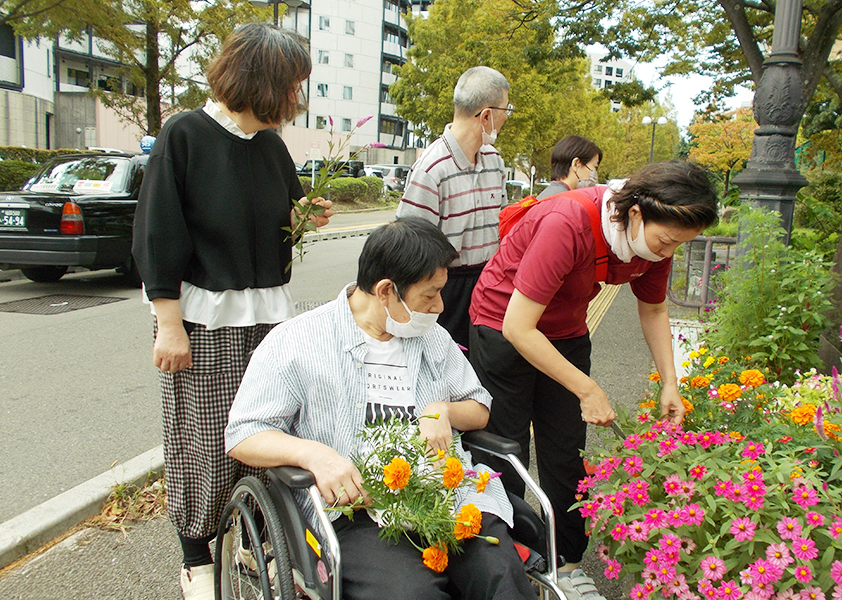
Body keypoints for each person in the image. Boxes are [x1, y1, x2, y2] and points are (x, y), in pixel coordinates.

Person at [225, 217, 535, 600]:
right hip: (358, 511)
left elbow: (480, 407)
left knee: (501, 579)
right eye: (430, 294)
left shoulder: (432, 339)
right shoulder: (296, 342)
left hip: (445, 496)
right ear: (386, 290)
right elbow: (243, 433)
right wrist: (314, 455)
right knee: (411, 594)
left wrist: (443, 411)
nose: (440, 305)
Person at [131, 24, 333, 600]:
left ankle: (250, 538)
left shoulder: (269, 146)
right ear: (264, 83)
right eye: (293, 85)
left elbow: (284, 212)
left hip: (265, 314)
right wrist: (168, 324)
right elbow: (157, 234)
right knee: (203, 434)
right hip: (201, 317)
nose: (297, 98)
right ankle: (196, 557)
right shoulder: (185, 135)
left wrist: (306, 213)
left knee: (264, 427)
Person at [468, 161, 719, 600]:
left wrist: (670, 382)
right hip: (504, 324)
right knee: (506, 449)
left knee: (566, 450)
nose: (666, 253)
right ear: (636, 213)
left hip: (564, 330)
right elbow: (518, 327)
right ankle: (503, 562)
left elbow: (655, 309)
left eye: (678, 245)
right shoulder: (568, 222)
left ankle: (565, 563)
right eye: (665, 241)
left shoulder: (652, 244)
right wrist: (587, 387)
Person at [396, 66, 511, 351]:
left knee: (484, 373)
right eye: (506, 109)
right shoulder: (432, 169)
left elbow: (504, 223)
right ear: (487, 116)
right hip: (446, 288)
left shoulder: (494, 160)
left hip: (489, 281)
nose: (507, 117)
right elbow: (408, 247)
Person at [536, 135, 602, 200]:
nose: (595, 178)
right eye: (594, 167)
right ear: (576, 164)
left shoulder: (545, 196)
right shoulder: (566, 201)